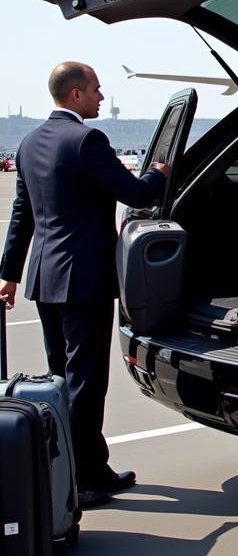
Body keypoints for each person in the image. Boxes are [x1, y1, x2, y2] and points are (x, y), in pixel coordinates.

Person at [0, 63, 169, 507]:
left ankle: (64, 471)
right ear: (75, 95)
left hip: (45, 278)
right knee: (86, 383)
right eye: (95, 89)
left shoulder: (29, 141)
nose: (101, 96)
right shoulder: (87, 140)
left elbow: (23, 215)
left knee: (61, 379)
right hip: (84, 281)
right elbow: (135, 193)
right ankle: (88, 478)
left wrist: (9, 274)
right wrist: (160, 172)